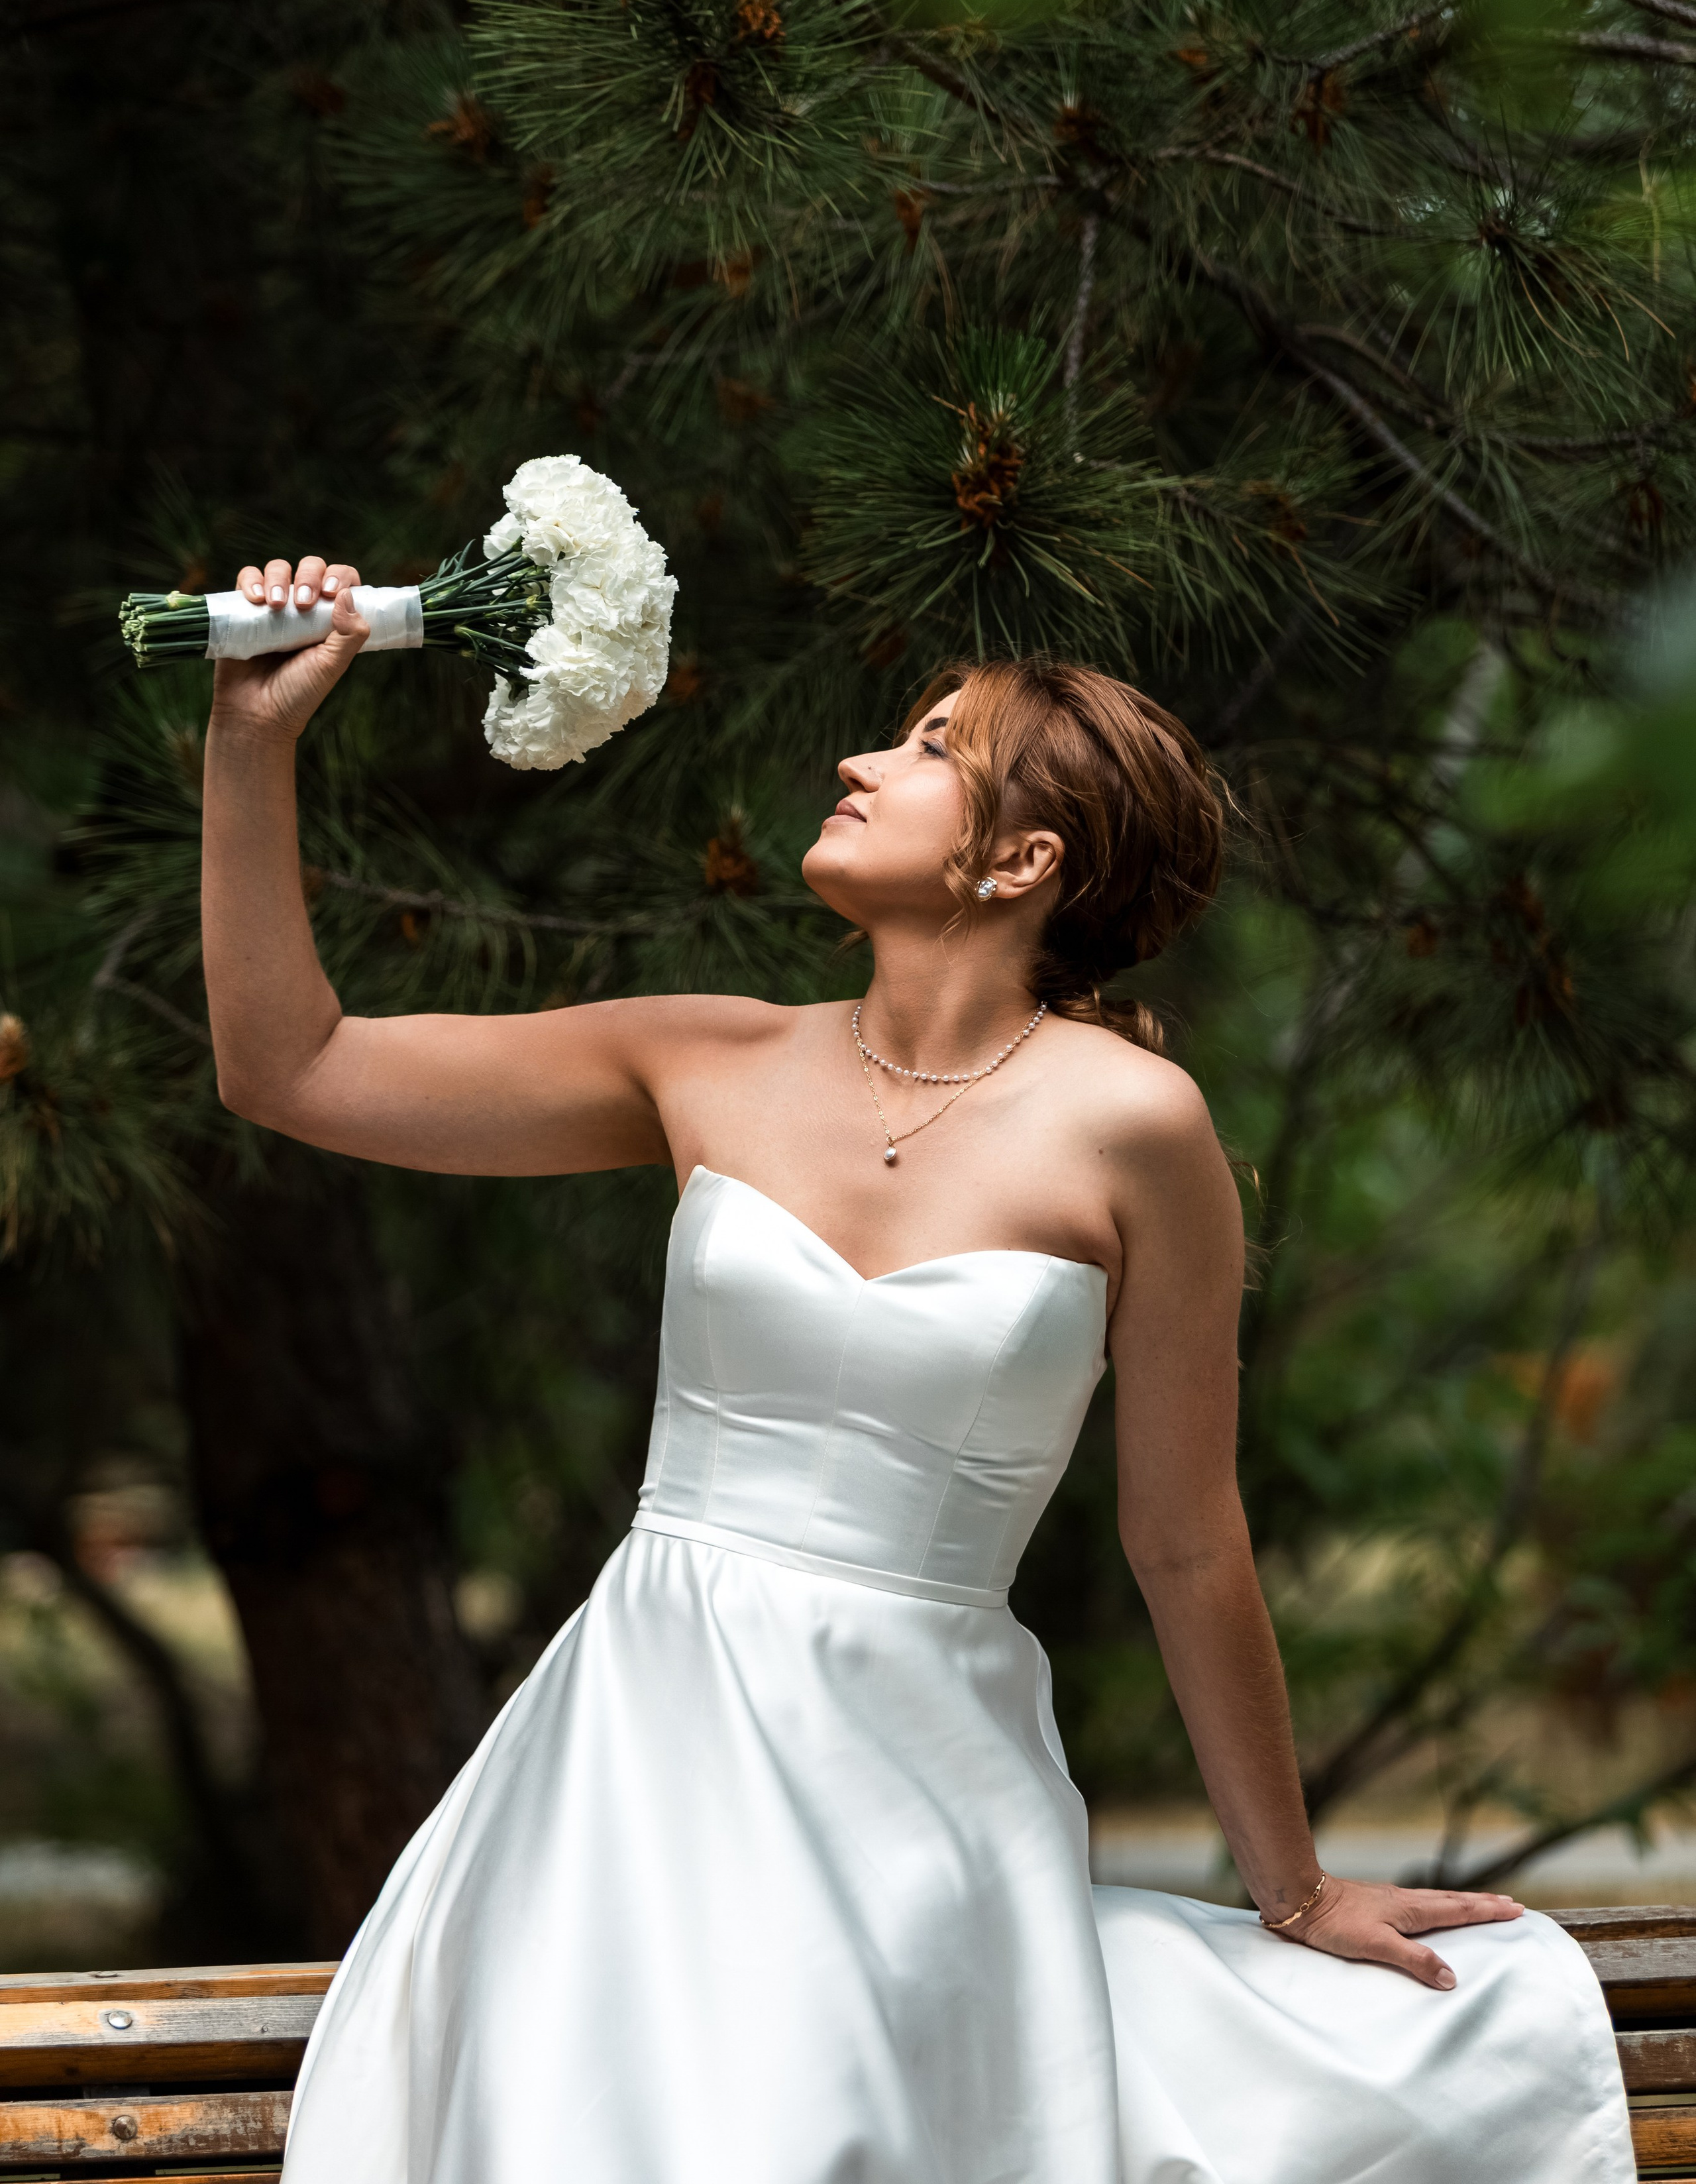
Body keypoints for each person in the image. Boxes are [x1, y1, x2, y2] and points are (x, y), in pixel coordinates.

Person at [203, 556, 1633, 2184]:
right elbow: (289, 1065)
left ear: (1023, 859)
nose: (858, 762)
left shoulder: (1134, 1128)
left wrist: (1293, 1890)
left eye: (931, 745)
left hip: (922, 1770)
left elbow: (1182, 1539)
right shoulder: (704, 1056)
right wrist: (253, 747)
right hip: (644, 1740)